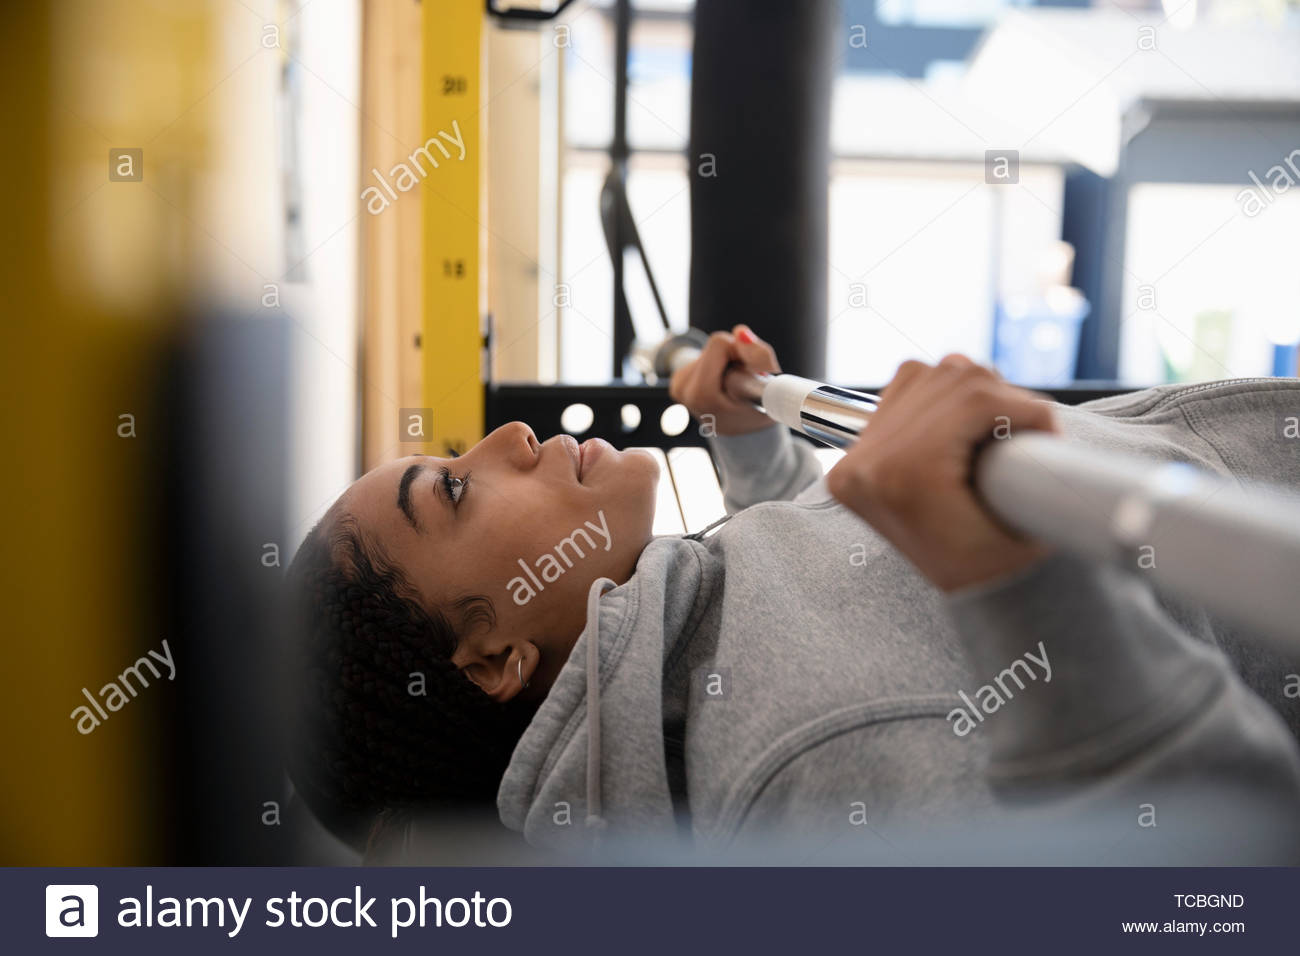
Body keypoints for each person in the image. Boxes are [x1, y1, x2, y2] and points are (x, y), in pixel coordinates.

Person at [284, 327, 1300, 861]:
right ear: (495, 656)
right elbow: (1222, 878)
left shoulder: (697, 658)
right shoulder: (808, 757)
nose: (509, 439)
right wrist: (1015, 578)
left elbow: (854, 599)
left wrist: (759, 456)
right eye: (453, 489)